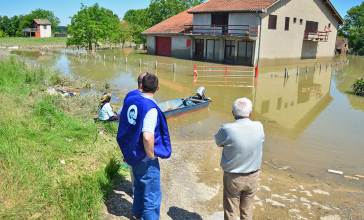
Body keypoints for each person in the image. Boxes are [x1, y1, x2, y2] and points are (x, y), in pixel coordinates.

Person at [117, 73, 172, 220]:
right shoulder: (151, 108)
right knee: (152, 195)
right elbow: (147, 137)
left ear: (141, 86)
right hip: (144, 156)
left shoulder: (132, 98)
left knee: (139, 186)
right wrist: (151, 156)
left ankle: (137, 213)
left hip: (132, 152)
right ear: (158, 88)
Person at [214, 97, 265, 220]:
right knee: (247, 211)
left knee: (231, 211)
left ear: (233, 113)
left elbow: (218, 142)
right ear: (250, 113)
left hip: (233, 177)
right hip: (253, 176)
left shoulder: (227, 129)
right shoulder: (259, 126)